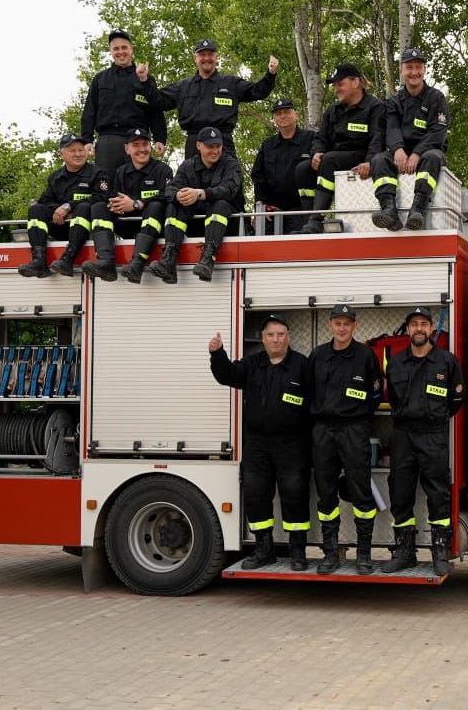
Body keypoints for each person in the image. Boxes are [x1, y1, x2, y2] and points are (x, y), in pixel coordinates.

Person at [208, 314, 313, 571]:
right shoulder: (253, 364)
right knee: (256, 496)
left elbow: (315, 403)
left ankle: (297, 552)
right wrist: (217, 354)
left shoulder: (302, 365)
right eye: (270, 335)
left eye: (280, 334)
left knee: (295, 496)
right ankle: (263, 550)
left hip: (292, 444)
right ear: (264, 339)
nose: (275, 339)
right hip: (257, 444)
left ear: (288, 337)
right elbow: (228, 376)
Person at [380, 307, 464, 577]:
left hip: (433, 434)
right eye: (414, 324)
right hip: (403, 433)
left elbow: (456, 401)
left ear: (431, 329)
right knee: (400, 493)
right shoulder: (395, 363)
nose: (418, 329)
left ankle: (440, 553)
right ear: (407, 329)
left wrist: (434, 418)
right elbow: (392, 398)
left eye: (424, 324)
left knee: (438, 494)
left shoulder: (447, 362)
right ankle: (405, 553)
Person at [306, 303, 383, 574]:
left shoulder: (365, 356)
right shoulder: (317, 355)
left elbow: (376, 394)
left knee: (361, 493)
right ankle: (330, 554)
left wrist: (357, 415)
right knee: (326, 494)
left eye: (347, 323)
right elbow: (308, 394)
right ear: (330, 325)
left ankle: (364, 555)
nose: (342, 328)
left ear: (354, 326)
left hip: (354, 429)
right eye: (337, 323)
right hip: (323, 431)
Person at [139, 39, 279, 158]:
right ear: (195, 58)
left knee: (229, 187)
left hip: (223, 143)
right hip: (195, 144)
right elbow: (158, 101)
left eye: (210, 54)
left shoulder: (230, 83)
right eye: (202, 55)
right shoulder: (183, 86)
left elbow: (257, 91)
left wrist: (271, 73)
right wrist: (145, 80)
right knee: (192, 186)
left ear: (216, 57)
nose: (206, 58)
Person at [147, 126, 243, 284]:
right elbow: (169, 190)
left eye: (217, 146)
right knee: (174, 204)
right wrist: (178, 195)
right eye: (210, 146)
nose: (215, 151)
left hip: (227, 224)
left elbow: (229, 190)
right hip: (196, 225)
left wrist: (200, 193)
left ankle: (208, 259)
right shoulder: (188, 165)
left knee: (218, 203)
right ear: (199, 146)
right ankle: (169, 261)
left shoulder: (230, 164)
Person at [298, 63, 386, 234]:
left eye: (340, 84)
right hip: (333, 158)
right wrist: (316, 153)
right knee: (302, 169)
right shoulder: (333, 110)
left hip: (360, 157)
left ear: (355, 83)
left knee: (330, 159)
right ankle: (309, 220)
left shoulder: (375, 107)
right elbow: (320, 138)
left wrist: (369, 162)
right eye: (335, 85)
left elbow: (378, 139)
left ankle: (317, 219)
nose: (336, 89)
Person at [370, 48, 451, 231]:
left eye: (418, 67)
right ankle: (389, 211)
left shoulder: (436, 98)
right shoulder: (393, 101)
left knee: (432, 157)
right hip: (400, 153)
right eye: (409, 67)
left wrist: (417, 153)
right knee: (378, 160)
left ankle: (418, 209)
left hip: (427, 152)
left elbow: (438, 131)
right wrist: (398, 149)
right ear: (402, 70)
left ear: (425, 70)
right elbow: (391, 128)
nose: (414, 72)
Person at [81, 128, 173, 283]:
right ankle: (106, 262)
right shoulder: (121, 172)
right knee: (98, 207)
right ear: (127, 149)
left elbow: (169, 195)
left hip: (154, 229)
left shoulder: (163, 170)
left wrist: (137, 204)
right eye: (136, 145)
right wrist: (116, 205)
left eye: (145, 144)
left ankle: (137, 264)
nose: (142, 149)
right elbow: (115, 196)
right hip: (127, 226)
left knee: (155, 206)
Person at [17, 134, 109, 279]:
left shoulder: (97, 174)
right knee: (36, 209)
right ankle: (39, 261)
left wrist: (69, 206)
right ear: (61, 154)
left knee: (83, 207)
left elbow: (102, 198)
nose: (78, 154)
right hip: (61, 227)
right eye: (73, 150)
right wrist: (59, 211)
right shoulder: (55, 177)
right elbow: (45, 201)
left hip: (87, 230)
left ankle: (67, 260)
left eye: (81, 150)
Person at [82, 29, 167, 179]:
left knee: (137, 185)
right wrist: (87, 140)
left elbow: (155, 110)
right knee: (105, 187)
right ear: (110, 51)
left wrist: (160, 138)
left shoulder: (144, 78)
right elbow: (89, 111)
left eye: (124, 47)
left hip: (137, 141)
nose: (120, 52)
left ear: (131, 49)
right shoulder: (100, 79)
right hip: (108, 142)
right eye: (116, 48)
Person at [250, 98, 316, 235]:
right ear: (274, 119)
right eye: (278, 113)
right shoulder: (267, 145)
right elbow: (258, 175)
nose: (283, 116)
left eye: (287, 112)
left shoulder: (311, 139)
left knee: (299, 251)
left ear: (296, 115)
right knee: (267, 252)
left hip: (302, 210)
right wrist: (261, 205)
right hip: (272, 211)